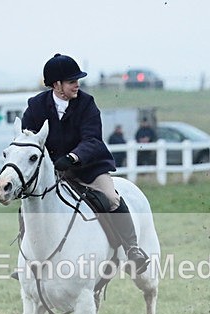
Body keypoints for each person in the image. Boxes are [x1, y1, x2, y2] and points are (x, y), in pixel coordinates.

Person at [22, 53, 149, 273]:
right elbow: (28, 139)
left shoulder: (87, 103)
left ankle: (132, 249)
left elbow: (92, 139)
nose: (77, 85)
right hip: (52, 172)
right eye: (72, 81)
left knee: (110, 198)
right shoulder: (36, 106)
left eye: (77, 81)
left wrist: (72, 158)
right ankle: (28, 259)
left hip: (88, 168)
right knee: (29, 204)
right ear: (57, 85)